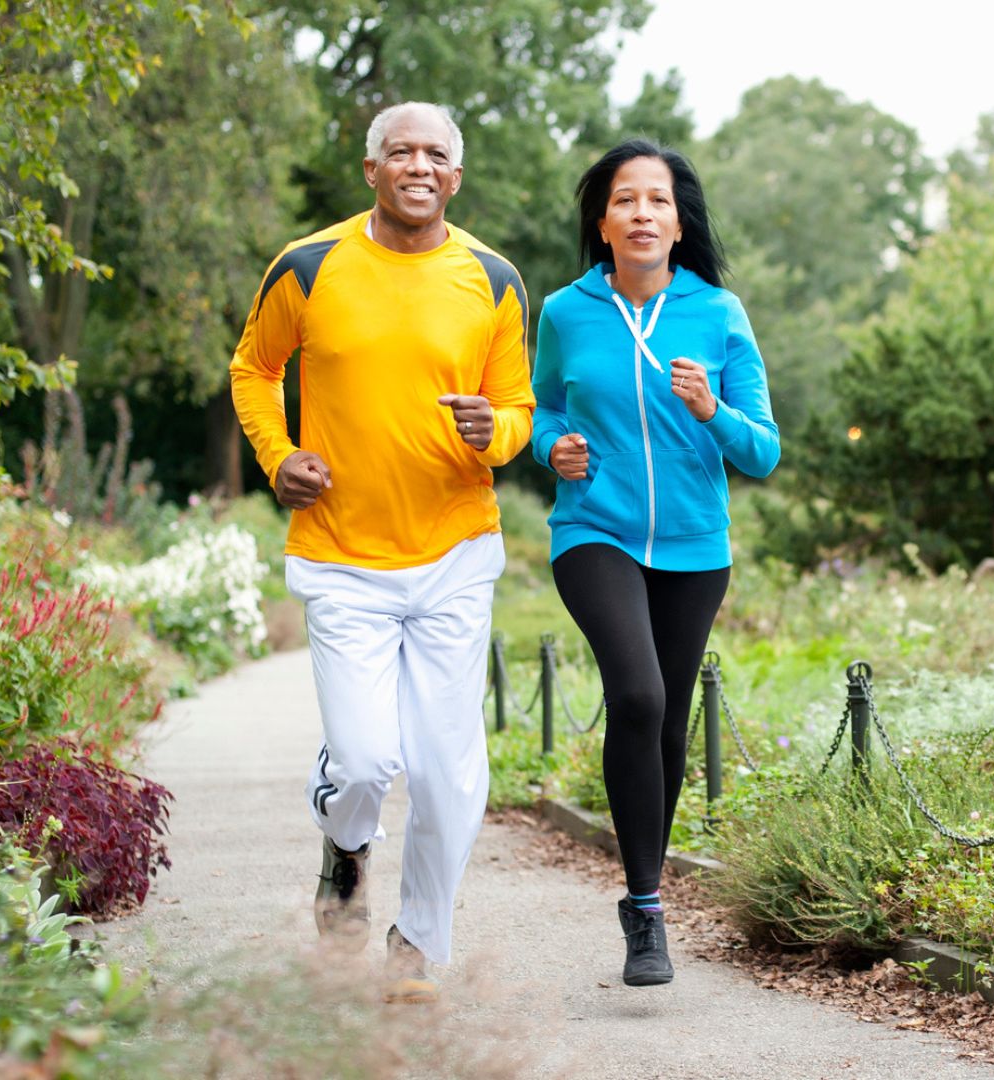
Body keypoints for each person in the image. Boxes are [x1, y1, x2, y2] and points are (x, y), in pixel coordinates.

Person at [228, 101, 533, 1004]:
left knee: (449, 773)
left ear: (455, 177)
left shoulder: (495, 279)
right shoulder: (308, 267)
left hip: (454, 552)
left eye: (436, 153)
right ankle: (345, 844)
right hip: (341, 556)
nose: (418, 164)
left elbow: (517, 412)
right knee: (364, 765)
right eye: (399, 150)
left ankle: (417, 947)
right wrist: (278, 458)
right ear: (371, 171)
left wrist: (496, 432)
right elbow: (253, 368)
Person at [530, 139, 780, 987]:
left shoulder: (718, 313)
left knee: (667, 722)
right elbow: (544, 407)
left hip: (693, 547)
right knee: (636, 695)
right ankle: (645, 909)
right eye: (625, 201)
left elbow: (764, 451)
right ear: (601, 223)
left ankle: (646, 885)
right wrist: (550, 447)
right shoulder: (566, 312)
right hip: (592, 532)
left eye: (659, 202)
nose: (643, 213)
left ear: (679, 223)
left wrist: (711, 408)